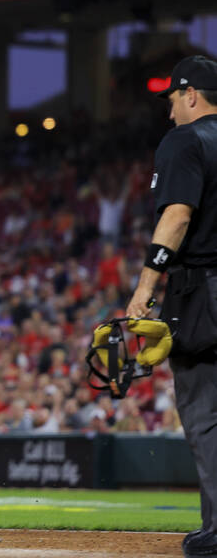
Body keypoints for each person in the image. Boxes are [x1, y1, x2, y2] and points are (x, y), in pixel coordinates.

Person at [125, 56, 217, 557]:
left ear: (191, 96)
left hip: (204, 288)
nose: (169, 113)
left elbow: (178, 216)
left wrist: (145, 287)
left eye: (172, 100)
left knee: (204, 411)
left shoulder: (186, 139)